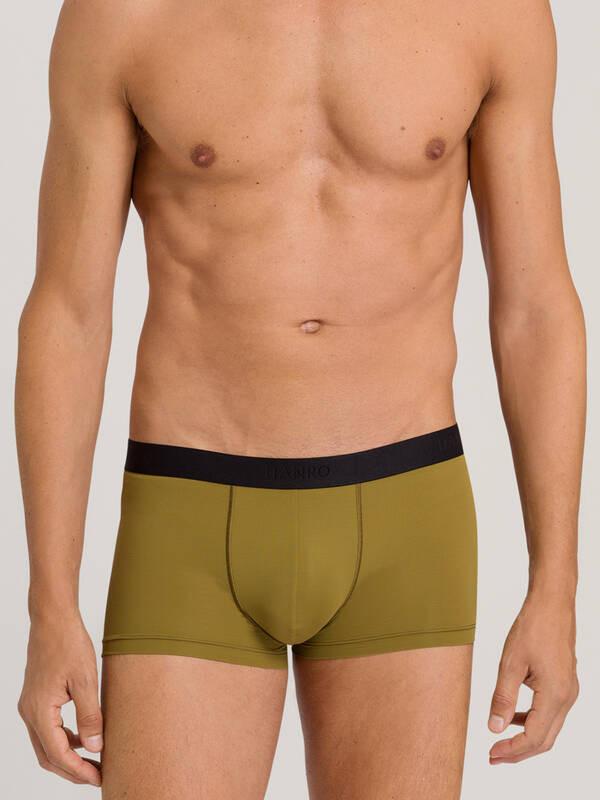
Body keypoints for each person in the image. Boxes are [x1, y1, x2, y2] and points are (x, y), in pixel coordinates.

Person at [15, 1, 584, 798]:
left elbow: (535, 308)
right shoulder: (122, 14)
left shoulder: (493, 12)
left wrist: (556, 588)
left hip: (407, 516)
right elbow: (68, 313)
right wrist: (49, 605)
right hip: (188, 515)